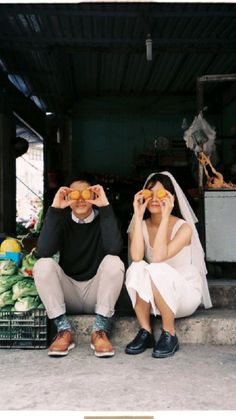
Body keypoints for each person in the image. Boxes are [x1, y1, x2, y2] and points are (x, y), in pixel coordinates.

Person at [33, 174, 124, 358]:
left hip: (96, 293)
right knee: (43, 265)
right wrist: (56, 208)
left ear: (94, 196)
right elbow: (43, 250)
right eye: (75, 194)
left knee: (114, 262)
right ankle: (63, 329)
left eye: (86, 194)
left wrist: (105, 206)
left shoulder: (104, 219)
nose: (81, 199)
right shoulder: (62, 220)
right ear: (67, 197)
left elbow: (114, 248)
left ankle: (100, 330)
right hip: (69, 294)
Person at [125, 171, 212, 358]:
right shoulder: (139, 225)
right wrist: (138, 217)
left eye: (162, 194)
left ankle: (169, 333)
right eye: (150, 194)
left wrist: (165, 217)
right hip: (157, 297)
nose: (155, 199)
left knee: (156, 267)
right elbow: (136, 256)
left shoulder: (184, 228)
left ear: (171, 198)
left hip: (183, 294)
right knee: (137, 267)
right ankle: (145, 331)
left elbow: (158, 257)